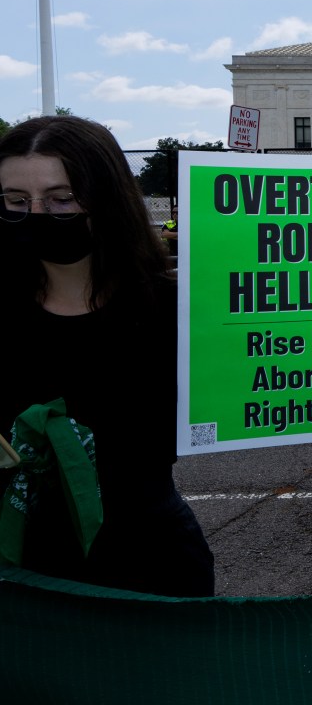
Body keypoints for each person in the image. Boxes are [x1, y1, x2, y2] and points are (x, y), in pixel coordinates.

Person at [0, 116, 214, 596]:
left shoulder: (177, 311)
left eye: (62, 199)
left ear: (108, 199)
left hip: (153, 567)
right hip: (21, 575)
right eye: (16, 201)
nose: (37, 215)